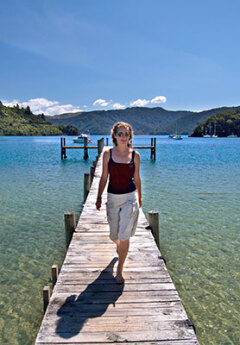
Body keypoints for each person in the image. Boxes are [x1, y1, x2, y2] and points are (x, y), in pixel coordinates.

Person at [95, 122, 142, 284]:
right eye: (120, 134)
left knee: (124, 236)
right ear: (114, 135)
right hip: (113, 198)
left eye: (126, 134)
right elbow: (103, 177)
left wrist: (140, 197)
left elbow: (137, 178)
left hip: (130, 198)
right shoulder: (107, 154)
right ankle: (119, 246)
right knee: (115, 235)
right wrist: (99, 197)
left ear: (130, 136)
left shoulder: (135, 155)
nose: (123, 137)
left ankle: (120, 271)